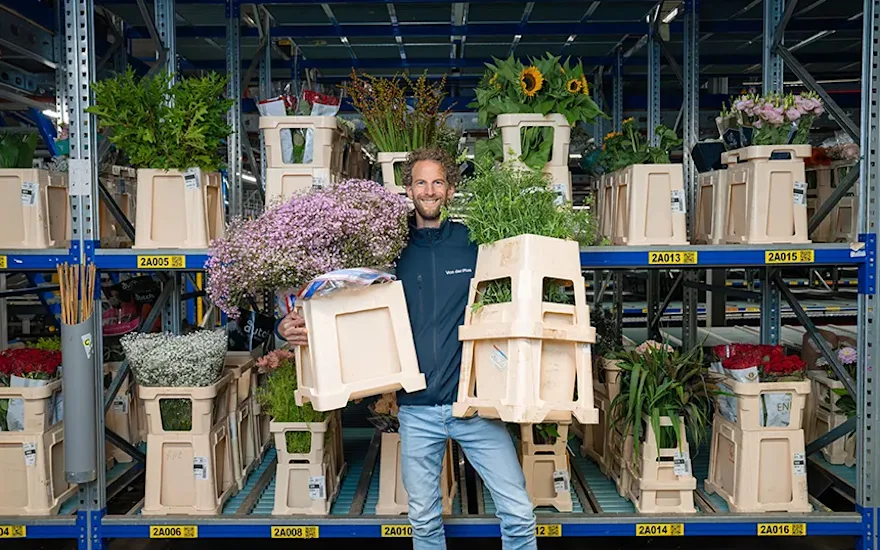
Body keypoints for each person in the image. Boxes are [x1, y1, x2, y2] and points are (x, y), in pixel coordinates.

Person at [278, 147, 537, 550]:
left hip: (473, 405)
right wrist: (291, 324)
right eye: (420, 182)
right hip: (416, 409)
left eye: (437, 182)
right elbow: (334, 303)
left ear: (450, 190)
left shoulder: (476, 243)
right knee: (424, 522)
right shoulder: (387, 252)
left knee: (519, 514)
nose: (429, 190)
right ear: (408, 189)